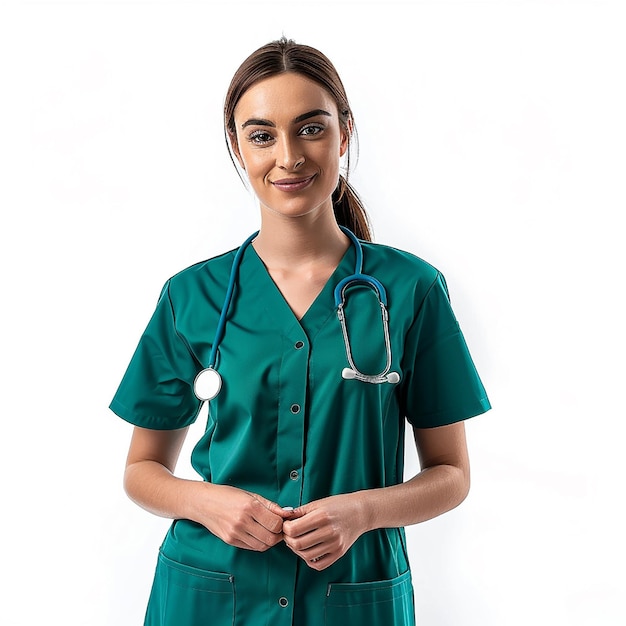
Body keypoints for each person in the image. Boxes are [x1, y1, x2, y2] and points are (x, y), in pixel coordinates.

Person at [110, 37, 491, 626]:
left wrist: (362, 512)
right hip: (211, 594)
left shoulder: (411, 290)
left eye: (311, 128)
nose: (288, 156)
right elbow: (142, 470)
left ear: (345, 133)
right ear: (238, 147)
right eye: (262, 135)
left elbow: (451, 475)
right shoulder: (191, 296)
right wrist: (206, 502)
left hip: (350, 595)